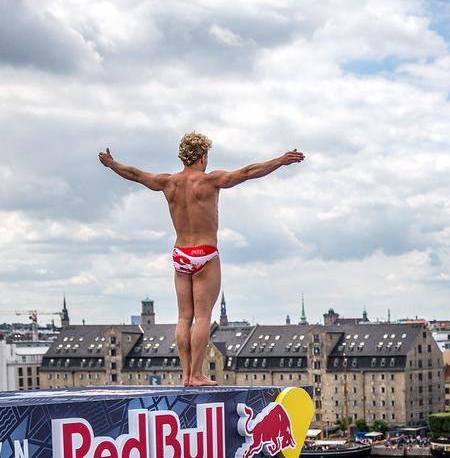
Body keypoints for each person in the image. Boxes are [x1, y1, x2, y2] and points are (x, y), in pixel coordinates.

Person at [98, 134, 304, 385]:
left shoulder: (167, 182)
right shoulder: (210, 180)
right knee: (203, 316)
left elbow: (135, 174)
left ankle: (186, 374)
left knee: (184, 317)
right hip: (205, 253)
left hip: (181, 255)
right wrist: (280, 160)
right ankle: (196, 374)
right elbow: (248, 172)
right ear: (203, 157)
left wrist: (112, 163)